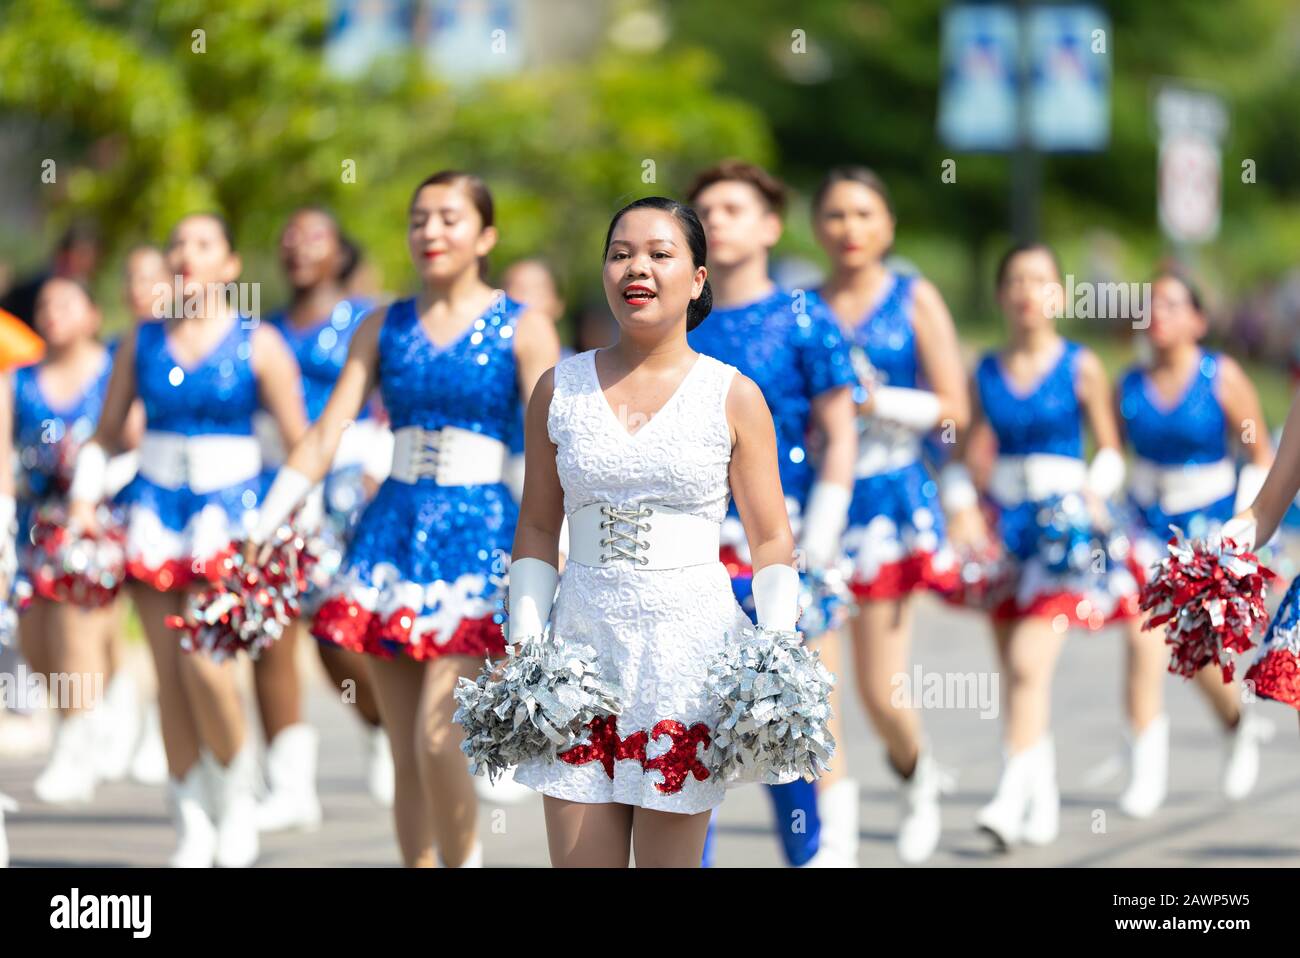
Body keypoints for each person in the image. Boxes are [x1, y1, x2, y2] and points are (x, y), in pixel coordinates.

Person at [255, 171, 559, 867]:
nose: (430, 232)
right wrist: (265, 521)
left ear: (485, 235)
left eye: (449, 219)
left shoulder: (525, 325)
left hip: (481, 532)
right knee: (404, 751)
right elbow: (327, 430)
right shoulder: (381, 324)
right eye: (419, 219)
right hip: (392, 530)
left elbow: (552, 443)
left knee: (437, 737)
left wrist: (557, 541)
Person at [508, 195, 804, 867]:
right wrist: (528, 646)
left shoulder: (733, 394)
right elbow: (535, 525)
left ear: (698, 279)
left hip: (688, 658)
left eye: (660, 254)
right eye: (620, 254)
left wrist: (776, 648)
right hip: (580, 654)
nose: (636, 267)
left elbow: (770, 539)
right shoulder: (559, 388)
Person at [68, 212, 309, 867]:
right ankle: (191, 824)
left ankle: (235, 796)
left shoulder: (259, 343)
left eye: (202, 245)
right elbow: (105, 428)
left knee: (209, 666)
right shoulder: (139, 342)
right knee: (170, 676)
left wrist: (289, 520)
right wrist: (85, 497)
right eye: (177, 243)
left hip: (232, 520)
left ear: (230, 266)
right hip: (154, 514)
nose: (184, 254)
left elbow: (300, 443)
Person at [684, 160, 858, 867]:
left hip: (780, 538)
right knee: (698, 719)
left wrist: (816, 533)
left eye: (732, 207)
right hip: (693, 542)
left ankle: (821, 850)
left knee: (786, 709)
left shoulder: (802, 315)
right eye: (705, 211)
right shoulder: (677, 318)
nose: (717, 220)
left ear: (769, 226)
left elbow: (840, 430)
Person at [944, 242, 1137, 851]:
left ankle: (1008, 795)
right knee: (1015, 672)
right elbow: (966, 450)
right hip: (1007, 529)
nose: (1029, 292)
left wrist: (1091, 491)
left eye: (1042, 281)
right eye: (1017, 281)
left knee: (1028, 662)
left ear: (1058, 294)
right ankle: (1041, 789)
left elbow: (1109, 448)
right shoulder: (985, 370)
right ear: (1002, 295)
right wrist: (963, 505)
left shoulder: (1081, 364)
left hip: (1065, 528)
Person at [812, 166, 969, 863]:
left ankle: (916, 775)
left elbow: (954, 410)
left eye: (865, 215)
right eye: (837, 215)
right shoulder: (801, 307)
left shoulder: (913, 298)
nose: (850, 229)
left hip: (889, 500)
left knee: (880, 689)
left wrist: (875, 403)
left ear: (888, 227)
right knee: (815, 685)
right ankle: (833, 838)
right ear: (818, 227)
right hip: (817, 501)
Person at [251, 207, 394, 832]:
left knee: (336, 632)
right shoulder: (265, 330)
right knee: (267, 623)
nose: (297, 247)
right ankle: (288, 783)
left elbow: (393, 401)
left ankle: (384, 727)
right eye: (288, 236)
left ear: (340, 255)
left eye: (313, 238)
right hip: (279, 483)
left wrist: (378, 467)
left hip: (351, 488)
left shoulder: (370, 321)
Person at [1115, 268, 1274, 816]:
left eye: (1173, 305)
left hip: (1207, 528)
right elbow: (1114, 455)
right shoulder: (1128, 383)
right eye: (1151, 305)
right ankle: (1146, 768)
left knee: (1202, 655)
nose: (1158, 315)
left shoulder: (1221, 376)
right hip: (1143, 527)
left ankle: (1236, 722)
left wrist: (1243, 529)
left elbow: (1259, 454)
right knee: (1141, 642)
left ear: (1198, 320)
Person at [10, 278, 144, 803]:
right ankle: (104, 700)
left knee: (75, 626)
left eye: (65, 302)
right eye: (44, 304)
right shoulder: (18, 380)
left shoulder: (114, 371)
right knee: (36, 638)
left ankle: (76, 740)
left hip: (99, 520)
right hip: (34, 521)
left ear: (91, 313)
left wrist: (97, 482)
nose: (52, 312)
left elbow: (132, 436)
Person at [0, 222, 102, 329]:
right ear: (63, 255)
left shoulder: (83, 290)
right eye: (83, 255)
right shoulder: (33, 290)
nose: (88, 263)